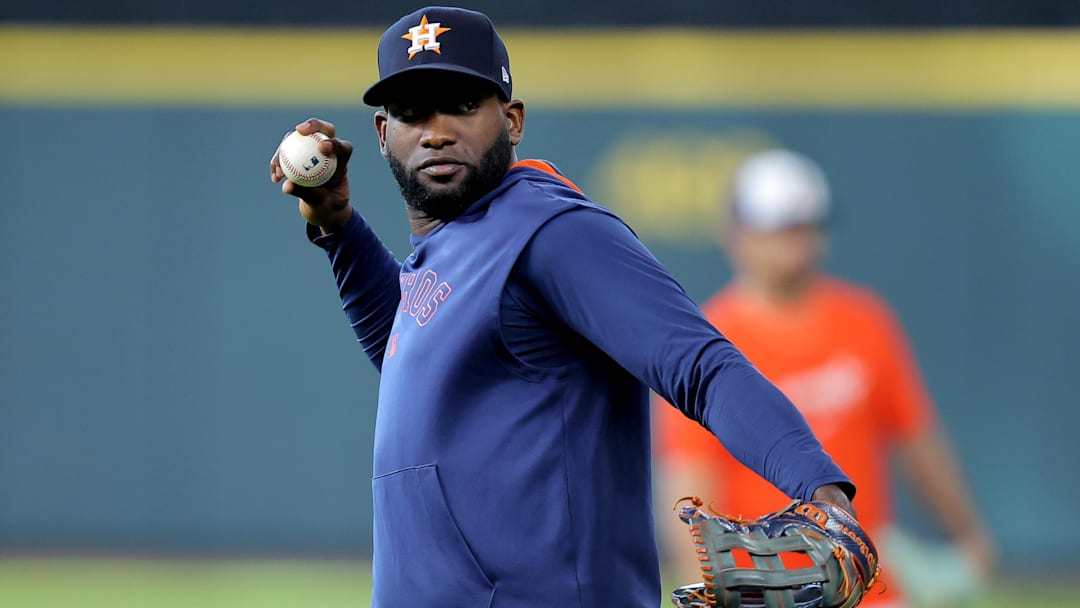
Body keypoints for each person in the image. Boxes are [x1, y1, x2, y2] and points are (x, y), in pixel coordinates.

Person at [270, 8, 857, 607]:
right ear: (380, 133)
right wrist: (338, 227)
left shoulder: (553, 231)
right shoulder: (452, 248)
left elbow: (701, 366)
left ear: (513, 120)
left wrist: (822, 492)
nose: (436, 130)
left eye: (463, 104)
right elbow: (408, 350)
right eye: (412, 112)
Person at [654, 149, 997, 607]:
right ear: (737, 234)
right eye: (776, 228)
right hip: (767, 596)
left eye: (802, 226)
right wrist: (713, 589)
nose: (792, 242)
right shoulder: (708, 342)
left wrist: (969, 534)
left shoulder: (866, 322)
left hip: (869, 590)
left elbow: (918, 443)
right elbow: (687, 486)